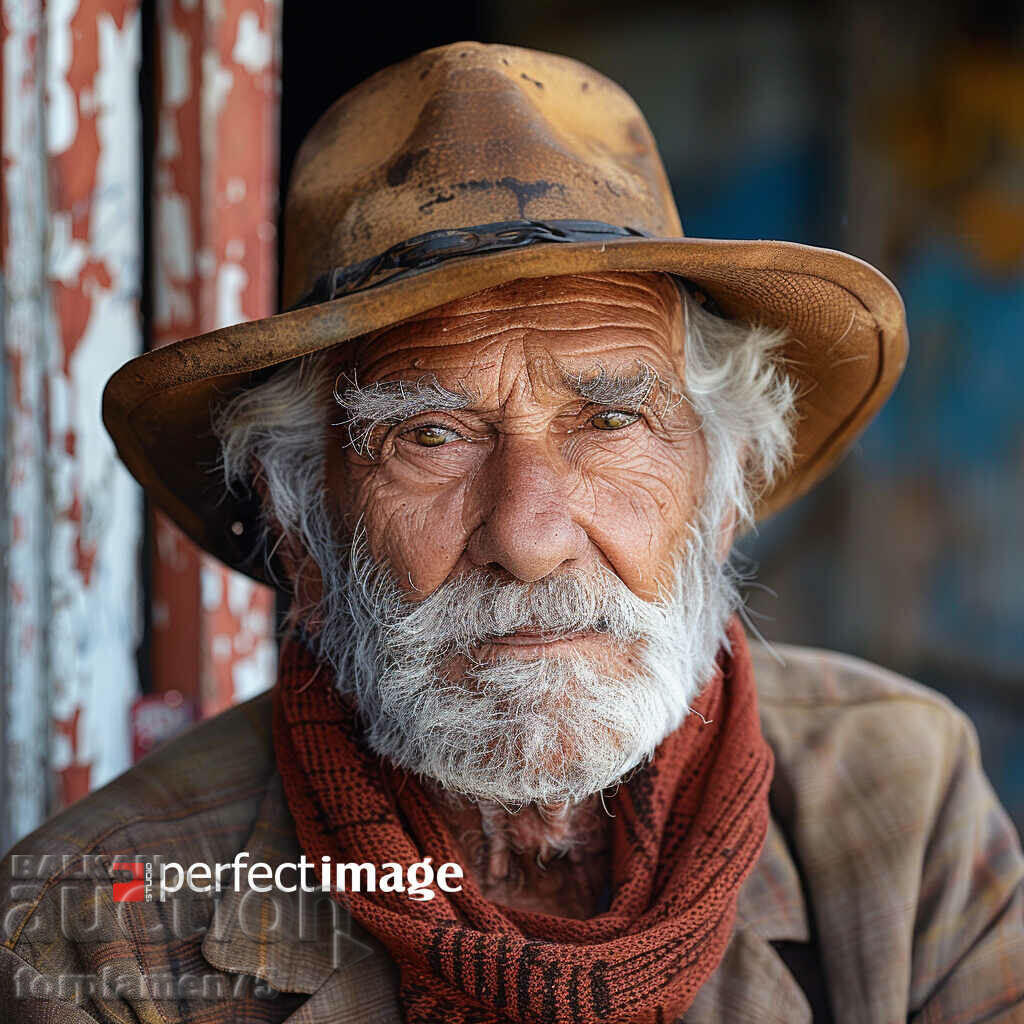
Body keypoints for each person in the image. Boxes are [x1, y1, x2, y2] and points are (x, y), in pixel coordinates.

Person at [1, 41, 1021, 1024]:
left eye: (612, 419)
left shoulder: (903, 794)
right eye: (431, 435)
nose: (529, 538)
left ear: (719, 496)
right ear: (304, 533)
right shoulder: (98, 931)